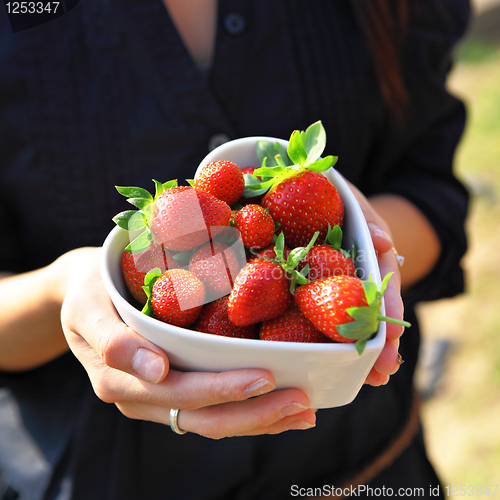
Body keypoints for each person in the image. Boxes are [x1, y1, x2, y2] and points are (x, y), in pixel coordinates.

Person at [0, 1, 470, 499]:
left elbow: (430, 191)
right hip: (98, 475)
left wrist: (363, 245)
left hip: (360, 471)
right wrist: (63, 288)